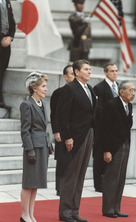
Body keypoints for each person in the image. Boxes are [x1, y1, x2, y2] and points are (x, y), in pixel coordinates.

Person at [58, 60, 96, 222]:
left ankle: (74, 211)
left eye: (90, 69)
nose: (89, 72)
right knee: (71, 175)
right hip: (74, 137)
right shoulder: (69, 89)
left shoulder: (90, 89)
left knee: (80, 175)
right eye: (86, 69)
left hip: (88, 134)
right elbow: (63, 115)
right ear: (77, 72)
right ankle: (65, 212)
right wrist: (67, 137)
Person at [101, 80, 136, 218]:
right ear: (121, 92)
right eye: (130, 90)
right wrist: (106, 150)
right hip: (113, 146)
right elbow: (105, 130)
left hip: (125, 144)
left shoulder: (130, 106)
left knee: (121, 178)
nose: (133, 93)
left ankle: (116, 207)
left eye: (134, 90)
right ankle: (108, 208)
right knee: (111, 178)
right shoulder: (111, 105)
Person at [20, 71, 50, 222]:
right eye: (43, 86)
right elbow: (25, 130)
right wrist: (29, 150)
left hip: (42, 146)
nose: (46, 89)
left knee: (36, 182)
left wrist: (48, 143)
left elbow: (43, 127)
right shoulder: (26, 104)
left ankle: (31, 214)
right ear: (34, 88)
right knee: (28, 183)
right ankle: (24, 214)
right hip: (32, 148)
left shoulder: (43, 103)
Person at [93, 63, 118, 192]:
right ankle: (98, 185)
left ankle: (109, 182)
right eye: (112, 71)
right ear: (105, 73)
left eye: (116, 71)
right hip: (102, 128)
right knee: (99, 156)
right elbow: (99, 110)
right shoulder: (99, 88)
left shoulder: (119, 87)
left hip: (115, 130)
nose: (115, 73)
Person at [50, 65, 75, 196]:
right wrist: (56, 131)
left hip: (76, 132)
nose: (74, 76)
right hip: (62, 132)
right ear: (65, 77)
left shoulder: (81, 91)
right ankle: (60, 188)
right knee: (62, 160)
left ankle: (71, 187)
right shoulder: (58, 93)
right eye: (71, 74)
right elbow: (54, 114)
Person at [0, 0, 16, 109]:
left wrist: (10, 36)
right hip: (1, 40)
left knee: (1, 71)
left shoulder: (7, 1)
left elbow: (12, 21)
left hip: (6, 43)